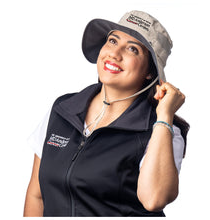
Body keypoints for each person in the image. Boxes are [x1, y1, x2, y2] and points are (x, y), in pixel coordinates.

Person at [24, 10, 189, 217]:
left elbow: (154, 199)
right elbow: (37, 195)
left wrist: (164, 116)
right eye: (112, 41)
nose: (114, 53)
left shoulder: (163, 131)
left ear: (150, 72)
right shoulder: (62, 109)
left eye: (132, 49)